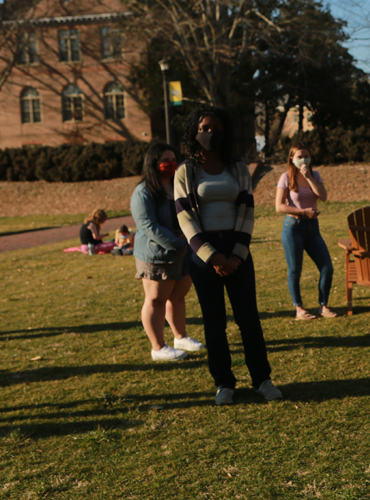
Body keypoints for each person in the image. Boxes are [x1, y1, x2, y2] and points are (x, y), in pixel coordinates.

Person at [175, 104, 282, 405]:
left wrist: (236, 255)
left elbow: (247, 210)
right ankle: (224, 383)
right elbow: (185, 218)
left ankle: (262, 379)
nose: (210, 134)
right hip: (203, 257)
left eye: (216, 128)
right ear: (194, 132)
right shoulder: (186, 171)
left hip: (238, 253)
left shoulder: (237, 168)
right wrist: (212, 256)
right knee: (214, 323)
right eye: (204, 129)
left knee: (249, 319)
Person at [131, 143, 205, 362]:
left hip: (183, 250)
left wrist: (190, 237)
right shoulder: (143, 191)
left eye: (174, 158)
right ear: (153, 163)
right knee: (156, 299)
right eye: (166, 159)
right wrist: (177, 242)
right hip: (157, 254)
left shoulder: (179, 185)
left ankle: (180, 337)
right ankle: (158, 347)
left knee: (178, 296)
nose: (172, 163)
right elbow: (148, 226)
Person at [275, 143, 336, 320]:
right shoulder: (285, 177)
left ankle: (323, 306)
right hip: (293, 228)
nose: (304, 160)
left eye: (306, 156)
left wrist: (309, 178)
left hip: (313, 228)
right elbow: (279, 207)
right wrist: (303, 212)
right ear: (292, 159)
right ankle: (299, 309)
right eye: (300, 156)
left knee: (327, 268)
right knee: (295, 270)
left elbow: (323, 197)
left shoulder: (315, 175)